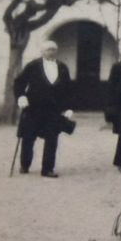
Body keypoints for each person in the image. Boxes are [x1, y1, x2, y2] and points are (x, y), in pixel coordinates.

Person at [13, 39, 75, 177]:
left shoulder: (63, 67)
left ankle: (47, 169)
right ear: (42, 51)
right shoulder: (33, 66)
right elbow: (19, 82)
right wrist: (21, 97)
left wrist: (69, 107)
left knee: (52, 139)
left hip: (53, 110)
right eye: (48, 49)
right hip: (33, 108)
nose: (51, 52)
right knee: (28, 137)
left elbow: (69, 89)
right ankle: (25, 164)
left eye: (53, 49)